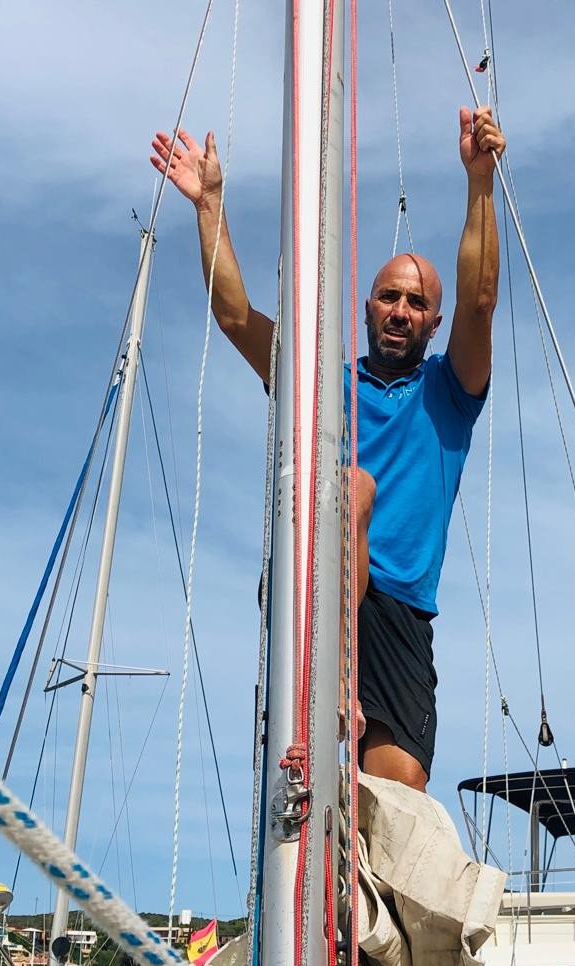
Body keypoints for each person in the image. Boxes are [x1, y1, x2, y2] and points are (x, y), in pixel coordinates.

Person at [150, 106, 505, 793]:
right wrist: (210, 205)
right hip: (316, 584)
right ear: (368, 306)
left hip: (400, 607)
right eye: (387, 297)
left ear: (432, 319)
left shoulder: (450, 389)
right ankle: (332, 686)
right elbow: (234, 316)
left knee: (395, 802)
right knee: (350, 487)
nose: (400, 310)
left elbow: (482, 300)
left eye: (416, 302)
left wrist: (479, 180)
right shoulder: (322, 385)